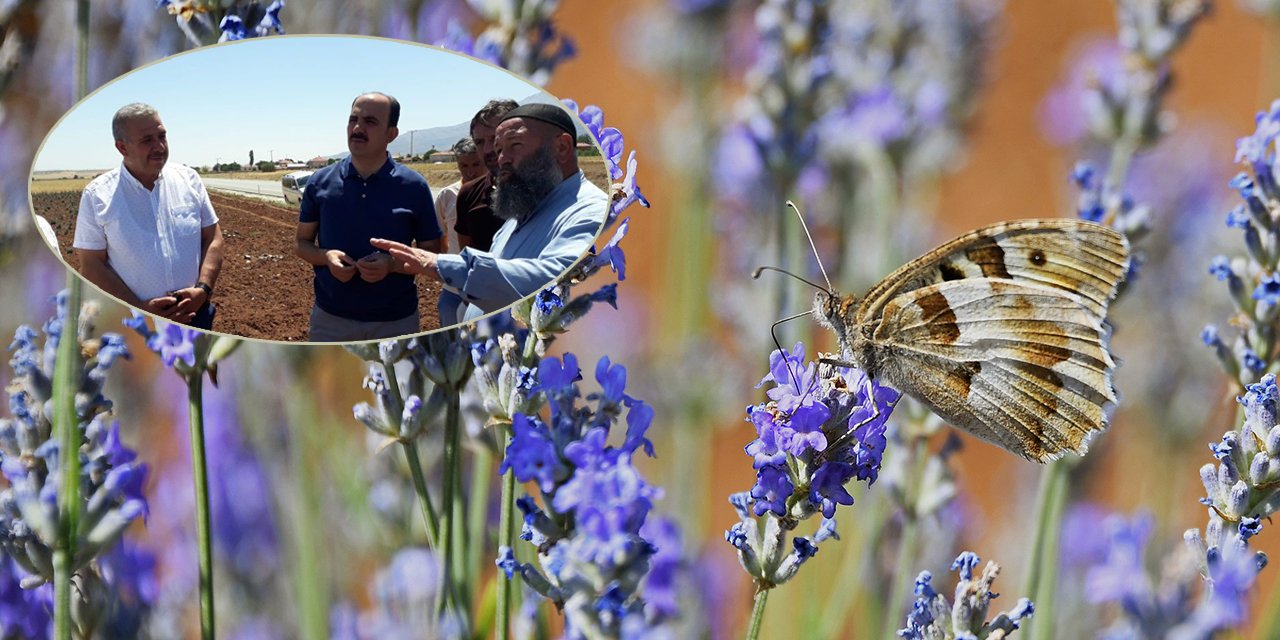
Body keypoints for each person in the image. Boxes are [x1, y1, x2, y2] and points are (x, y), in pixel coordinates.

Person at [372, 103, 606, 324]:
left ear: (561, 147)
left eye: (515, 145)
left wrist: (438, 263)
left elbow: (558, 280)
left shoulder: (590, 211)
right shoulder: (518, 217)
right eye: (499, 149)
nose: (501, 158)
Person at [295, 92, 442, 342]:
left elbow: (432, 254)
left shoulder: (414, 186)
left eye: (370, 122)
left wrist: (392, 264)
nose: (357, 128)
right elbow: (301, 243)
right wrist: (326, 257)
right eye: (353, 119)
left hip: (396, 323)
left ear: (391, 134)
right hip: (330, 320)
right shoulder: (320, 182)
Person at [74, 103, 224, 330]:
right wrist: (139, 310)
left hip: (195, 315)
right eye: (147, 140)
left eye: (162, 136)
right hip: (136, 326)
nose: (159, 146)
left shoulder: (189, 180)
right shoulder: (97, 195)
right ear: (122, 147)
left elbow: (213, 238)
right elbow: (91, 265)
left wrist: (203, 289)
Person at [454, 98, 517, 252]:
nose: (488, 149)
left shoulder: (544, 191)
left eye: (495, 138)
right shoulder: (468, 194)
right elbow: (466, 257)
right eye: (480, 142)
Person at [432, 137, 486, 253]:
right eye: (464, 166)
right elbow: (439, 236)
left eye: (476, 164)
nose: (470, 172)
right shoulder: (447, 195)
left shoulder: (497, 194)